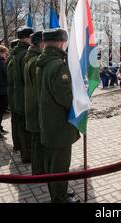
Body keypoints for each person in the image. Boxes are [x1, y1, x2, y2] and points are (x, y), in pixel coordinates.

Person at [36, 28, 80, 203]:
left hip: (48, 121)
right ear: (62, 42)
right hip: (58, 123)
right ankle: (59, 198)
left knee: (52, 162)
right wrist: (80, 100)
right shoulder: (58, 65)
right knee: (60, 163)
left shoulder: (43, 61)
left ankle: (58, 192)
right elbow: (65, 98)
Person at [10, 27, 34, 163]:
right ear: (28, 37)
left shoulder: (15, 52)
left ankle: (23, 151)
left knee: (21, 126)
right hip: (24, 95)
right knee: (26, 128)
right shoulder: (25, 54)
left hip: (17, 94)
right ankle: (28, 156)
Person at [24, 31, 45, 174]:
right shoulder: (36, 60)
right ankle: (39, 171)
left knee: (36, 141)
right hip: (36, 106)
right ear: (41, 43)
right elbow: (39, 87)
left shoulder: (31, 58)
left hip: (31, 104)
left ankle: (38, 170)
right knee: (38, 141)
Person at [7, 39, 20, 150]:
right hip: (15, 94)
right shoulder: (13, 59)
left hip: (13, 94)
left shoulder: (11, 58)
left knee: (16, 121)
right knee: (17, 122)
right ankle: (18, 144)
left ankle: (17, 144)